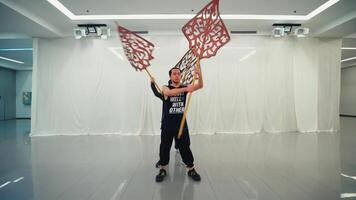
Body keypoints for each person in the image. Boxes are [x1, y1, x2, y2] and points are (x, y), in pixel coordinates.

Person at [155, 66, 203, 182]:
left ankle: (191, 168)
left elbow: (200, 85)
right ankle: (163, 168)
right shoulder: (165, 87)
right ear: (170, 76)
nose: (177, 75)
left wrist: (199, 74)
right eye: (174, 74)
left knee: (185, 147)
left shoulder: (184, 87)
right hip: (167, 125)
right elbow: (169, 93)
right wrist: (186, 89)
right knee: (165, 147)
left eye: (178, 74)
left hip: (181, 124)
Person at [150, 79, 179, 169]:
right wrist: (152, 84)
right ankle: (162, 160)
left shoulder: (179, 94)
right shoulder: (165, 96)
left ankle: (179, 149)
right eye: (170, 85)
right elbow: (157, 94)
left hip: (178, 123)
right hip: (167, 124)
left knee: (180, 142)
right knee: (164, 145)